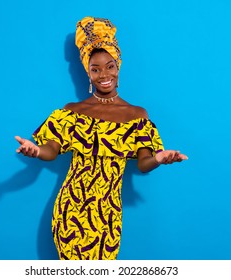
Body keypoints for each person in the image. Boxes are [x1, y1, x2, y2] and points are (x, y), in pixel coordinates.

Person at [15, 16, 188, 260]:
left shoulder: (136, 115)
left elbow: (144, 163)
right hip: (71, 208)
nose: (103, 74)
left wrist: (159, 158)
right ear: (88, 72)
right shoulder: (71, 112)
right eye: (95, 69)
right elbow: (51, 150)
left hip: (107, 212)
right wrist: (36, 150)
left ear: (118, 67)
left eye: (110, 66)